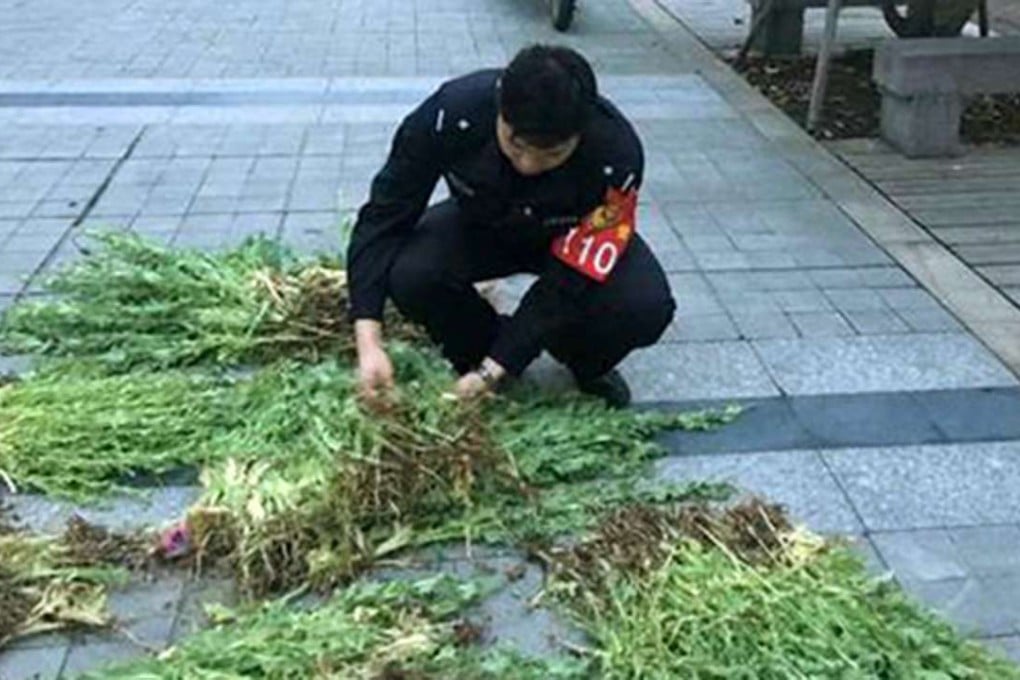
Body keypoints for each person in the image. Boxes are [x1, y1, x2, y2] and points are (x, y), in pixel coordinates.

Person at [347, 44, 675, 408]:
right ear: (500, 111)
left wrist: (501, 365)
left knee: (645, 306)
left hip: (570, 236)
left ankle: (579, 358)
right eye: (516, 146)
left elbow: (573, 275)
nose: (529, 165)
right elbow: (385, 215)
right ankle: (481, 346)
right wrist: (369, 342)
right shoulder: (450, 114)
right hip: (482, 225)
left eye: (552, 154)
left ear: (581, 133)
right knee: (411, 274)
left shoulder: (616, 157)